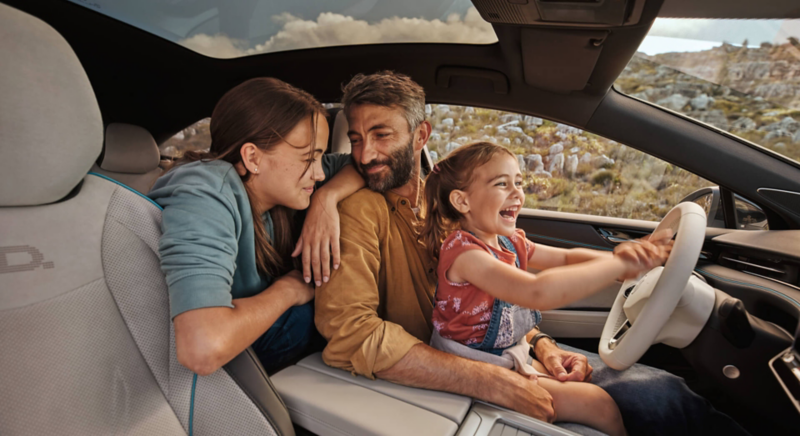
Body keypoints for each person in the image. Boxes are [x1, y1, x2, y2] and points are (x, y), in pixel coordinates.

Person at [315, 71, 750, 435]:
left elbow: (494, 297)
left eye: (381, 135)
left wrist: (543, 346)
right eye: (355, 139)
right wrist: (491, 381)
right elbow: (352, 334)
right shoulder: (358, 213)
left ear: (420, 135)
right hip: (457, 372)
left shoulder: (447, 203)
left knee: (669, 394)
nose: (365, 154)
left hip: (509, 354)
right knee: (656, 401)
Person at [421, 141, 675, 436]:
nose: (517, 193)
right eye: (502, 184)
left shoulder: (509, 240)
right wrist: (619, 266)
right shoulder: (465, 255)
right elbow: (537, 292)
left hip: (505, 353)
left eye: (518, 182)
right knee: (599, 404)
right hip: (471, 365)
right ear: (462, 202)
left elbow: (566, 258)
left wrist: (621, 260)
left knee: (582, 386)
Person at [149, 77, 363, 374]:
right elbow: (203, 347)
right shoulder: (205, 193)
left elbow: (364, 165)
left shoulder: (276, 187)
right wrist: (289, 289)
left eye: (320, 158)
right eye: (308, 158)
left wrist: (326, 200)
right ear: (253, 157)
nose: (318, 173)